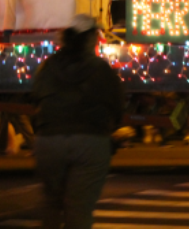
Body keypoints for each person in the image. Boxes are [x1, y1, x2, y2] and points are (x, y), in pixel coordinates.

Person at [31, 14, 124, 229]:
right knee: (79, 208)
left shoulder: (47, 67)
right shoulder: (101, 70)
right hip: (90, 141)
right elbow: (117, 105)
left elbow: (36, 98)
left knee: (51, 205)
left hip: (49, 141)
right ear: (91, 38)